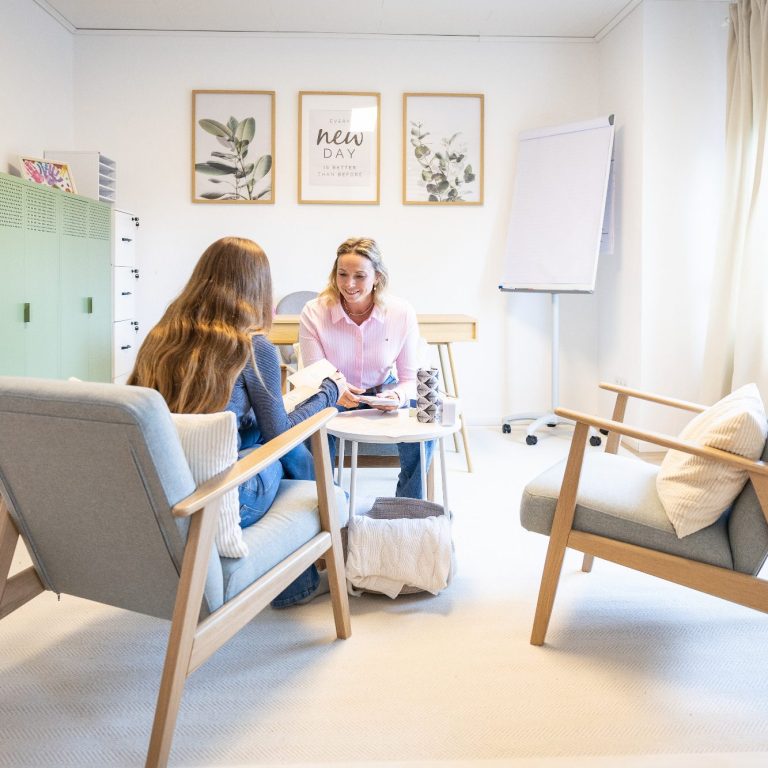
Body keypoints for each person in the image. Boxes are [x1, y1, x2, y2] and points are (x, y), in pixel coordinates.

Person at [128, 236, 346, 607]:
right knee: (284, 448)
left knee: (262, 430)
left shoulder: (161, 338)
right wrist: (328, 393)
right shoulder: (250, 346)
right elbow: (280, 435)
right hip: (222, 498)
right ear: (257, 288)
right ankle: (318, 556)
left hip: (164, 488)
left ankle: (310, 566)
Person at [299, 236, 433, 498]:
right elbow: (315, 372)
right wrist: (336, 389)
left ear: (377, 277)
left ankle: (407, 504)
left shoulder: (401, 312)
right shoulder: (314, 311)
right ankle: (327, 502)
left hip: (382, 391)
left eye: (359, 276)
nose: (349, 284)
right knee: (308, 421)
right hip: (331, 393)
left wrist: (397, 396)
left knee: (423, 420)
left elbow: (409, 379)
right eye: (342, 274)